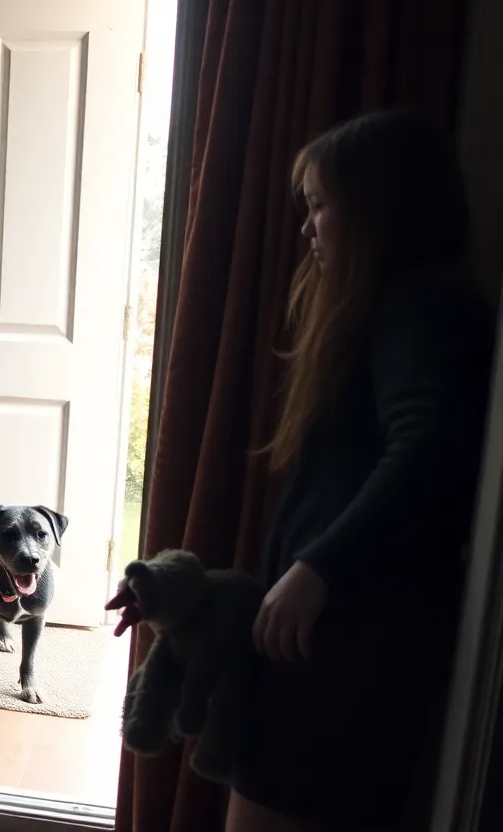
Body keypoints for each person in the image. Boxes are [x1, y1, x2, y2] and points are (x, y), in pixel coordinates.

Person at [227, 111, 496, 831]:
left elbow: (431, 446)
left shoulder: (423, 307)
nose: (308, 228)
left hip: (346, 648)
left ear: (379, 209)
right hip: (329, 642)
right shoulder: (399, 309)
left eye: (319, 205)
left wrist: (319, 568)